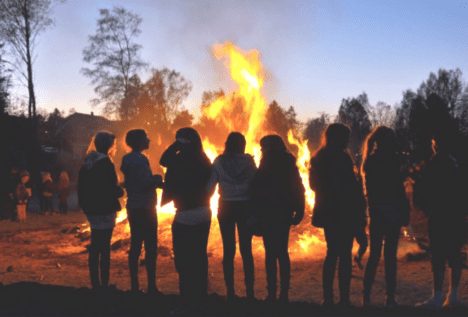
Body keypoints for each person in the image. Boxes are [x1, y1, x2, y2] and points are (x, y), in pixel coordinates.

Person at [309, 123, 366, 308]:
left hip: (328, 212)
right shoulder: (343, 158)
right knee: (344, 255)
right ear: (337, 138)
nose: (347, 141)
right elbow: (351, 188)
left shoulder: (318, 158)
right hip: (344, 212)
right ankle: (344, 299)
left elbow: (313, 186)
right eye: (345, 138)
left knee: (332, 254)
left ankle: (328, 298)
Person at [160, 127, 213, 314]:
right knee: (199, 257)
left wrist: (176, 144)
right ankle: (200, 297)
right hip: (204, 212)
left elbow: (163, 160)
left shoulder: (179, 158)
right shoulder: (204, 158)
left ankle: (186, 301)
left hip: (184, 214)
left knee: (183, 260)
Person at [250, 135, 305, 303]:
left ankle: (273, 293)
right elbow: (298, 188)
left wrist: (255, 214)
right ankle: (283, 295)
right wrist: (299, 210)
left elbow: (256, 190)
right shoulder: (288, 163)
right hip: (283, 213)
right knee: (281, 252)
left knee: (271, 253)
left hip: (268, 213)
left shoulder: (265, 164)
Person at [416, 133, 467, 310]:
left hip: (438, 215)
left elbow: (426, 191)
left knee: (438, 256)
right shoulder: (458, 165)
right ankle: (452, 296)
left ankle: (437, 297)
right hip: (456, 216)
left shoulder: (434, 164)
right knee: (454, 255)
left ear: (436, 146)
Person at [360, 126, 409, 308]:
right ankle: (389, 298)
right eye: (391, 139)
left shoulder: (370, 161)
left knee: (375, 255)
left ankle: (366, 298)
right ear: (384, 141)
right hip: (391, 210)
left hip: (377, 212)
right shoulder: (391, 160)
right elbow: (395, 188)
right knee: (389, 257)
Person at [206, 132, 257, 301]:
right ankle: (250, 292)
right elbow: (256, 182)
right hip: (245, 207)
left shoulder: (219, 161)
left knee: (228, 251)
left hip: (226, 207)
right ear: (243, 144)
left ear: (227, 144)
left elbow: (209, 187)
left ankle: (230, 292)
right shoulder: (249, 161)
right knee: (246, 250)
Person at [78, 131, 124, 291]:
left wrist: (86, 207)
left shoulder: (87, 163)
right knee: (104, 248)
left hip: (92, 211)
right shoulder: (106, 164)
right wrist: (121, 191)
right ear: (109, 146)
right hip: (105, 211)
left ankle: (95, 284)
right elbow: (110, 189)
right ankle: (104, 285)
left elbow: (82, 188)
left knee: (95, 246)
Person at [120, 129, 163, 295]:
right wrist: (157, 179)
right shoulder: (140, 159)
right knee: (151, 247)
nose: (149, 140)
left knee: (135, 245)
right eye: (146, 138)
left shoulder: (127, 159)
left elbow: (132, 181)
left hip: (133, 207)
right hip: (146, 208)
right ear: (139, 141)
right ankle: (151, 286)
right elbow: (145, 184)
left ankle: (135, 286)